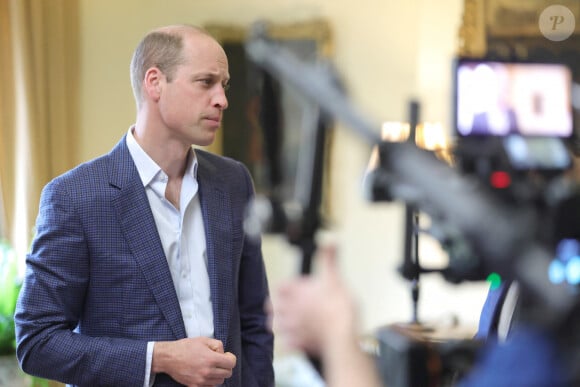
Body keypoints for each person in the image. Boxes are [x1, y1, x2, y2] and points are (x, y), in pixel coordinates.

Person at [14, 24, 274, 387]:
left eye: (224, 85)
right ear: (155, 82)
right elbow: (37, 341)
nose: (222, 99)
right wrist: (160, 358)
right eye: (205, 82)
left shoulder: (234, 183)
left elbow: (254, 321)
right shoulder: (74, 197)